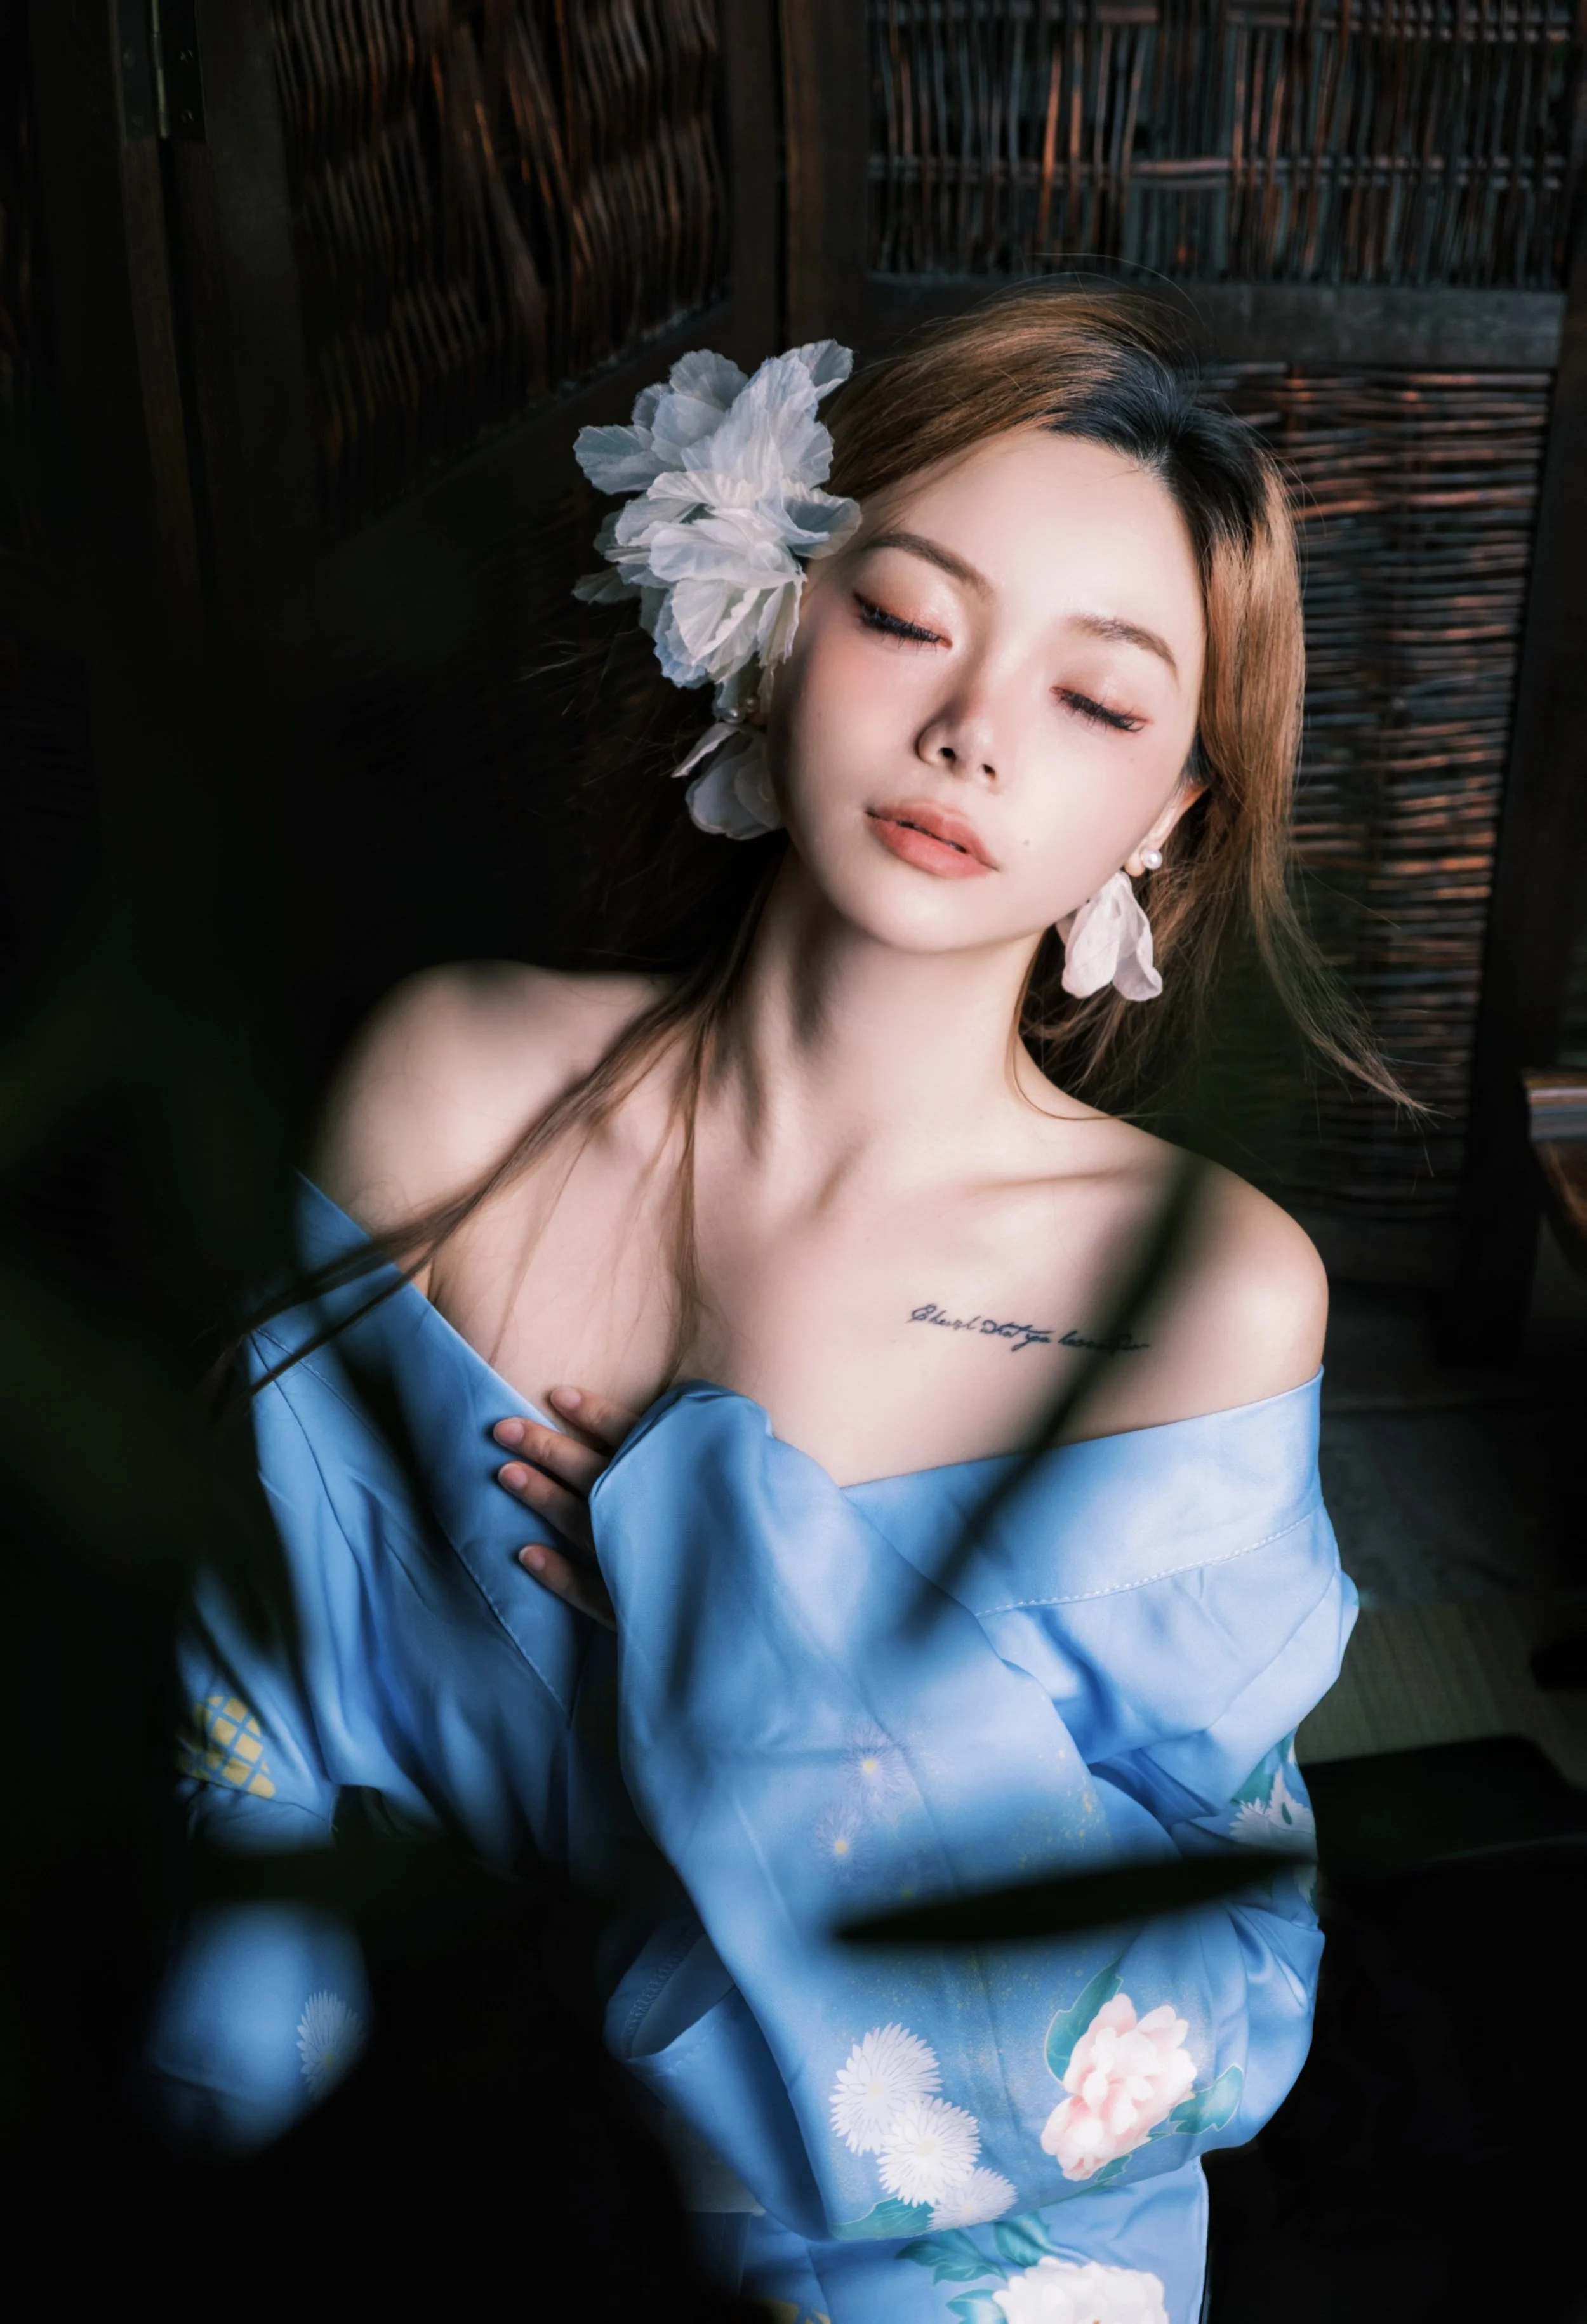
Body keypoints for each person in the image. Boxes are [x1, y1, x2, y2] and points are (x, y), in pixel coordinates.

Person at [149, 292, 1383, 2323]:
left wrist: (736, 1602)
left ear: (1165, 816)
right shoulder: (450, 1085)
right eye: (911, 615)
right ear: (771, 612)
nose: (975, 727)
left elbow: (1204, 1975)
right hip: (458, 2129)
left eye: (1097, 702)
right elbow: (248, 1668)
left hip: (933, 2237)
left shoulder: (1201, 1293)